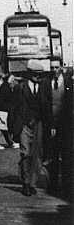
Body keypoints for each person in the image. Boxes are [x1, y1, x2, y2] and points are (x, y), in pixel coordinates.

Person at [17, 59, 53, 196]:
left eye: (40, 75)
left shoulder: (44, 87)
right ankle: (25, 183)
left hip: (39, 124)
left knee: (37, 155)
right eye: (35, 74)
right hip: (25, 124)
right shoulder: (21, 87)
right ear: (29, 73)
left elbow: (47, 107)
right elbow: (16, 108)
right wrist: (16, 128)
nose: (37, 77)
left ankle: (32, 183)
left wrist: (50, 125)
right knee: (25, 153)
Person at [46, 60, 71, 193]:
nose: (54, 70)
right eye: (52, 67)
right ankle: (53, 184)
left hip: (66, 125)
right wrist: (50, 124)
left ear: (61, 67)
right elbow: (45, 104)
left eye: (56, 67)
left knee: (67, 155)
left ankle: (67, 185)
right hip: (52, 125)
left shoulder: (69, 82)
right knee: (53, 155)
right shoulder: (46, 82)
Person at [0, 74, 17, 149]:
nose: (13, 80)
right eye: (12, 79)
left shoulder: (4, 86)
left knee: (4, 127)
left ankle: (10, 142)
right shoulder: (6, 87)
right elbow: (7, 99)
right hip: (1, 110)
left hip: (1, 109)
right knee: (1, 126)